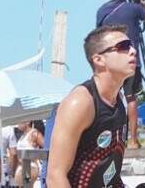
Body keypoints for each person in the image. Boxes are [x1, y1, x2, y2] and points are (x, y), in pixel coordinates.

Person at [46, 25, 137, 188]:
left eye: (130, 45)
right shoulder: (80, 102)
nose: (132, 50)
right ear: (99, 59)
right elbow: (55, 176)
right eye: (123, 47)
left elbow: (108, 171)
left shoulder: (119, 100)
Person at [95, 0, 145, 149]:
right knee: (131, 98)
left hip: (110, 61)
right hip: (130, 61)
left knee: (109, 99)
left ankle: (108, 141)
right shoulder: (134, 9)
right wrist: (144, 4)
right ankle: (132, 140)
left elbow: (97, 36)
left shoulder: (102, 11)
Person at [13, 121, 45, 187]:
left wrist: (33, 155)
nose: (18, 124)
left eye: (20, 121)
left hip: (30, 166)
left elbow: (47, 149)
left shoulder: (34, 133)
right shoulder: (23, 135)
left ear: (27, 122)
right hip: (22, 167)